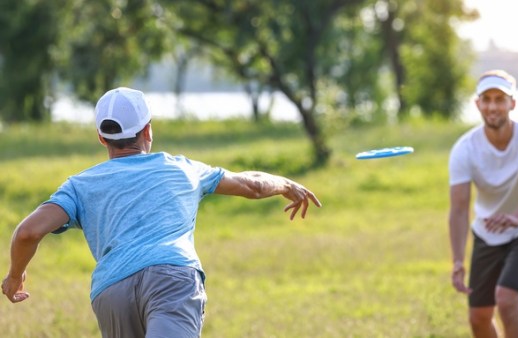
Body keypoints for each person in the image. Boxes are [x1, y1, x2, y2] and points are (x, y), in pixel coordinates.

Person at [1, 87, 322, 338]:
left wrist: (16, 276)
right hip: (172, 279)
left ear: (101, 138)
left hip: (111, 292)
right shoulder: (183, 169)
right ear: (148, 131)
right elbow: (250, 185)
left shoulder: (79, 186)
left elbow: (29, 232)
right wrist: (283, 183)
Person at [448, 70, 518, 338]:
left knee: (507, 302)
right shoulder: (465, 149)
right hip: (488, 231)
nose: (493, 106)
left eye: (500, 99)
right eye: (486, 99)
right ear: (477, 105)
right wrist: (458, 260)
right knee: (479, 317)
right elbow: (459, 209)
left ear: (512, 104)